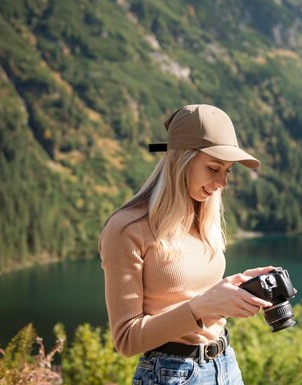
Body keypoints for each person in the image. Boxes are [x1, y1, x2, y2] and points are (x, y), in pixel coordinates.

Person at [99, 104, 274, 385]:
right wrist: (201, 307)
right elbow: (126, 339)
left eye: (228, 171)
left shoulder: (202, 219)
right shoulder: (126, 228)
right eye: (213, 168)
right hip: (171, 374)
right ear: (181, 160)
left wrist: (233, 289)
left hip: (226, 365)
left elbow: (193, 293)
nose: (222, 182)